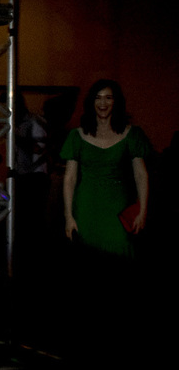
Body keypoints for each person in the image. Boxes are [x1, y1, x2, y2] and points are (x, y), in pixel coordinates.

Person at [62, 80, 150, 259]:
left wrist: (142, 210)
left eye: (108, 98)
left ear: (116, 101)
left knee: (119, 251)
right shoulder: (76, 136)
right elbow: (69, 179)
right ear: (91, 102)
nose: (103, 103)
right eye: (98, 97)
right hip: (86, 207)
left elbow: (141, 175)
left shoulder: (132, 135)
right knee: (87, 256)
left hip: (118, 207)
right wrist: (68, 216)